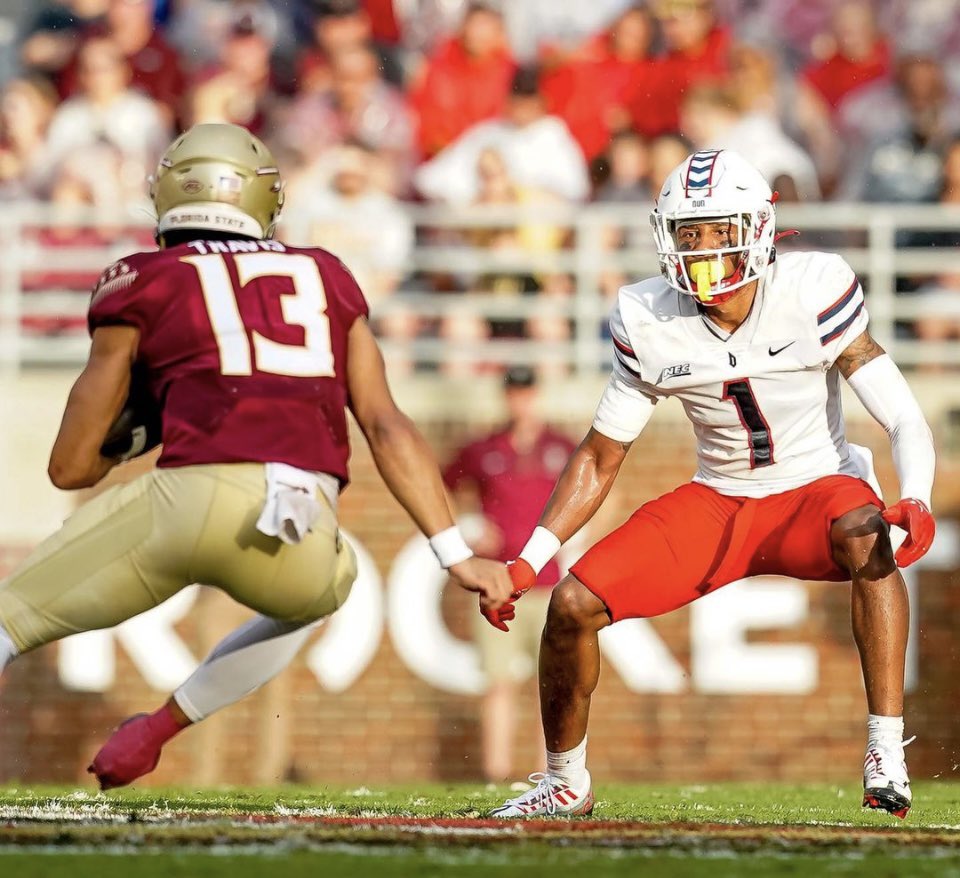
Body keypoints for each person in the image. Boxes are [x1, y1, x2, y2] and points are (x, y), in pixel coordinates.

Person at [0, 122, 512, 790]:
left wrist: (138, 432)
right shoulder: (325, 273)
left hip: (190, 499)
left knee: (9, 623)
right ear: (264, 200)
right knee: (317, 595)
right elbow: (386, 425)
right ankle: (156, 731)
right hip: (304, 526)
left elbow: (70, 468)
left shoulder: (144, 277)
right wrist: (455, 554)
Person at [485, 149, 936, 820]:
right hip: (719, 500)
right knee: (573, 605)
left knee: (866, 533)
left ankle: (884, 753)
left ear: (755, 230)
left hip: (817, 491)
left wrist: (918, 494)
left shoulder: (812, 288)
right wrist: (530, 559)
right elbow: (601, 456)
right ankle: (565, 781)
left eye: (717, 233)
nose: (700, 252)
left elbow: (899, 413)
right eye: (687, 236)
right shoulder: (648, 316)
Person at [443, 365, 576, 782]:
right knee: (498, 682)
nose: (521, 401)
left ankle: (549, 772)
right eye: (514, 393)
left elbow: (600, 491)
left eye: (526, 392)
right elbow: (443, 487)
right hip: (500, 580)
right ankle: (496, 773)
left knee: (551, 686)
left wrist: (580, 535)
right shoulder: (483, 448)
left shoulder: (561, 446)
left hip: (549, 580)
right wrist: (469, 528)